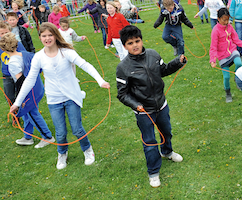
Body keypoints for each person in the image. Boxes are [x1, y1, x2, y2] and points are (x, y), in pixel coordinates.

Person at [10, 23, 110, 170]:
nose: (47, 38)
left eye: (50, 35)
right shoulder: (38, 57)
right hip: (54, 100)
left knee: (77, 129)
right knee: (61, 133)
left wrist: (100, 81)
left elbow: (85, 65)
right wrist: (17, 103)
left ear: (56, 35)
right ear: (40, 38)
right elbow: (29, 80)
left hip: (71, 96)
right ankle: (62, 153)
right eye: (44, 36)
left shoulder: (66, 52)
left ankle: (88, 150)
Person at [116, 25, 186, 188]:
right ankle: (153, 172)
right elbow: (122, 94)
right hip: (143, 111)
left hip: (161, 105)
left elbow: (164, 70)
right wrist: (136, 105)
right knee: (149, 141)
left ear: (141, 40)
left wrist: (178, 62)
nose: (135, 45)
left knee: (166, 132)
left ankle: (167, 152)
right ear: (125, 46)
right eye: (130, 43)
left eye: (137, 41)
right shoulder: (123, 68)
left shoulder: (153, 55)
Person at [0, 33, 55, 148]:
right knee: (26, 113)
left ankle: (47, 137)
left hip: (28, 91)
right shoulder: (25, 54)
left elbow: (21, 81)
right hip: (37, 87)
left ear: (3, 49)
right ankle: (28, 136)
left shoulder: (13, 63)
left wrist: (20, 99)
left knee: (32, 112)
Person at [210, 8, 242, 103]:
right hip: (222, 56)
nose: (226, 22)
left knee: (238, 62)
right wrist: (213, 59)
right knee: (226, 77)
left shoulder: (230, 27)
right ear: (218, 19)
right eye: (224, 20)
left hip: (232, 51)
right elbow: (213, 46)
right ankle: (228, 92)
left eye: (227, 19)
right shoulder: (215, 31)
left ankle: (237, 80)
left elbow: (236, 40)